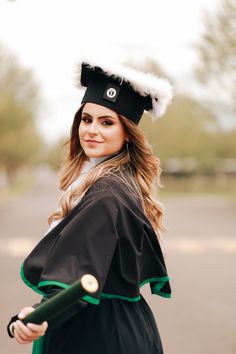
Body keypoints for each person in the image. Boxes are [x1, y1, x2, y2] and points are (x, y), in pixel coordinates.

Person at [7, 60, 173, 354]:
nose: (92, 130)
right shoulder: (116, 182)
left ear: (128, 133)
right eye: (87, 119)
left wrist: (38, 316)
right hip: (121, 329)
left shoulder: (107, 194)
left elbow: (78, 273)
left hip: (99, 336)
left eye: (107, 122)